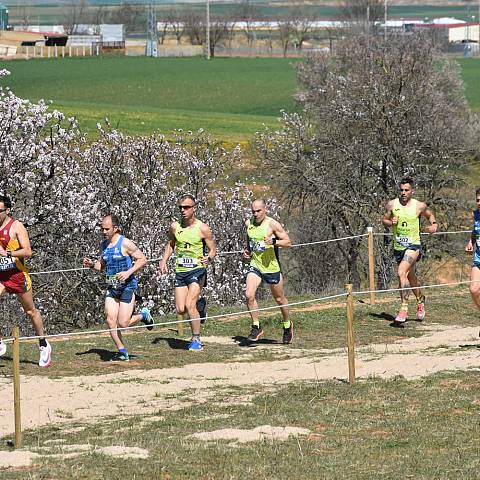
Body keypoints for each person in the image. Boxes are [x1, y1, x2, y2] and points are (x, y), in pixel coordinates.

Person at [83, 214, 153, 361]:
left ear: (116, 228)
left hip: (127, 286)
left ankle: (143, 316)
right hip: (112, 288)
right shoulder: (103, 245)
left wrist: (128, 272)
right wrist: (91, 265)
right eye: (102, 228)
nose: (103, 231)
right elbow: (101, 266)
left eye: (107, 229)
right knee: (110, 320)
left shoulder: (125, 243)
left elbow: (143, 259)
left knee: (123, 323)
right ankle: (122, 350)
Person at [159, 194, 216, 351]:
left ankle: (196, 339)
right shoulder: (175, 227)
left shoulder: (203, 228)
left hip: (197, 270)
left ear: (194, 208)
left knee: (189, 304)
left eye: (186, 207)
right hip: (181, 271)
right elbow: (171, 244)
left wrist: (208, 258)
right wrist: (164, 260)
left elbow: (213, 250)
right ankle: (201, 306)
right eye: (180, 207)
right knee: (180, 309)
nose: (183, 210)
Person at [0, 195, 52, 367]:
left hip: (18, 275)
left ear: (7, 211)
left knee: (30, 311)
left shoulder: (16, 226)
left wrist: (7, 254)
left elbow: (28, 251)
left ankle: (43, 344)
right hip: (1, 276)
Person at [382, 177, 437, 324]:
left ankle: (403, 308)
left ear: (412, 191)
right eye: (401, 190)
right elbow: (384, 220)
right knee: (409, 277)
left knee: (401, 272)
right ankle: (420, 299)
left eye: (406, 190)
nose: (403, 193)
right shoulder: (392, 204)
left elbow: (430, 215)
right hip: (398, 247)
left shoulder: (419, 206)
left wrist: (434, 225)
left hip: (414, 245)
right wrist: (390, 222)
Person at [244, 199, 293, 344]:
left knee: (279, 299)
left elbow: (288, 242)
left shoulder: (272, 224)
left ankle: (287, 325)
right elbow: (249, 243)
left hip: (271, 267)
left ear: (265, 210)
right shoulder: (248, 224)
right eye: (253, 211)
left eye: (258, 211)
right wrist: (247, 253)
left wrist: (274, 242)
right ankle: (256, 326)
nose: (256, 214)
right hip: (256, 265)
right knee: (249, 295)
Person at [464, 188, 480, 334]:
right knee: (474, 289)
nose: (479, 203)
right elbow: (475, 232)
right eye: (477, 200)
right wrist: (471, 242)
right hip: (478, 257)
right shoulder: (476, 214)